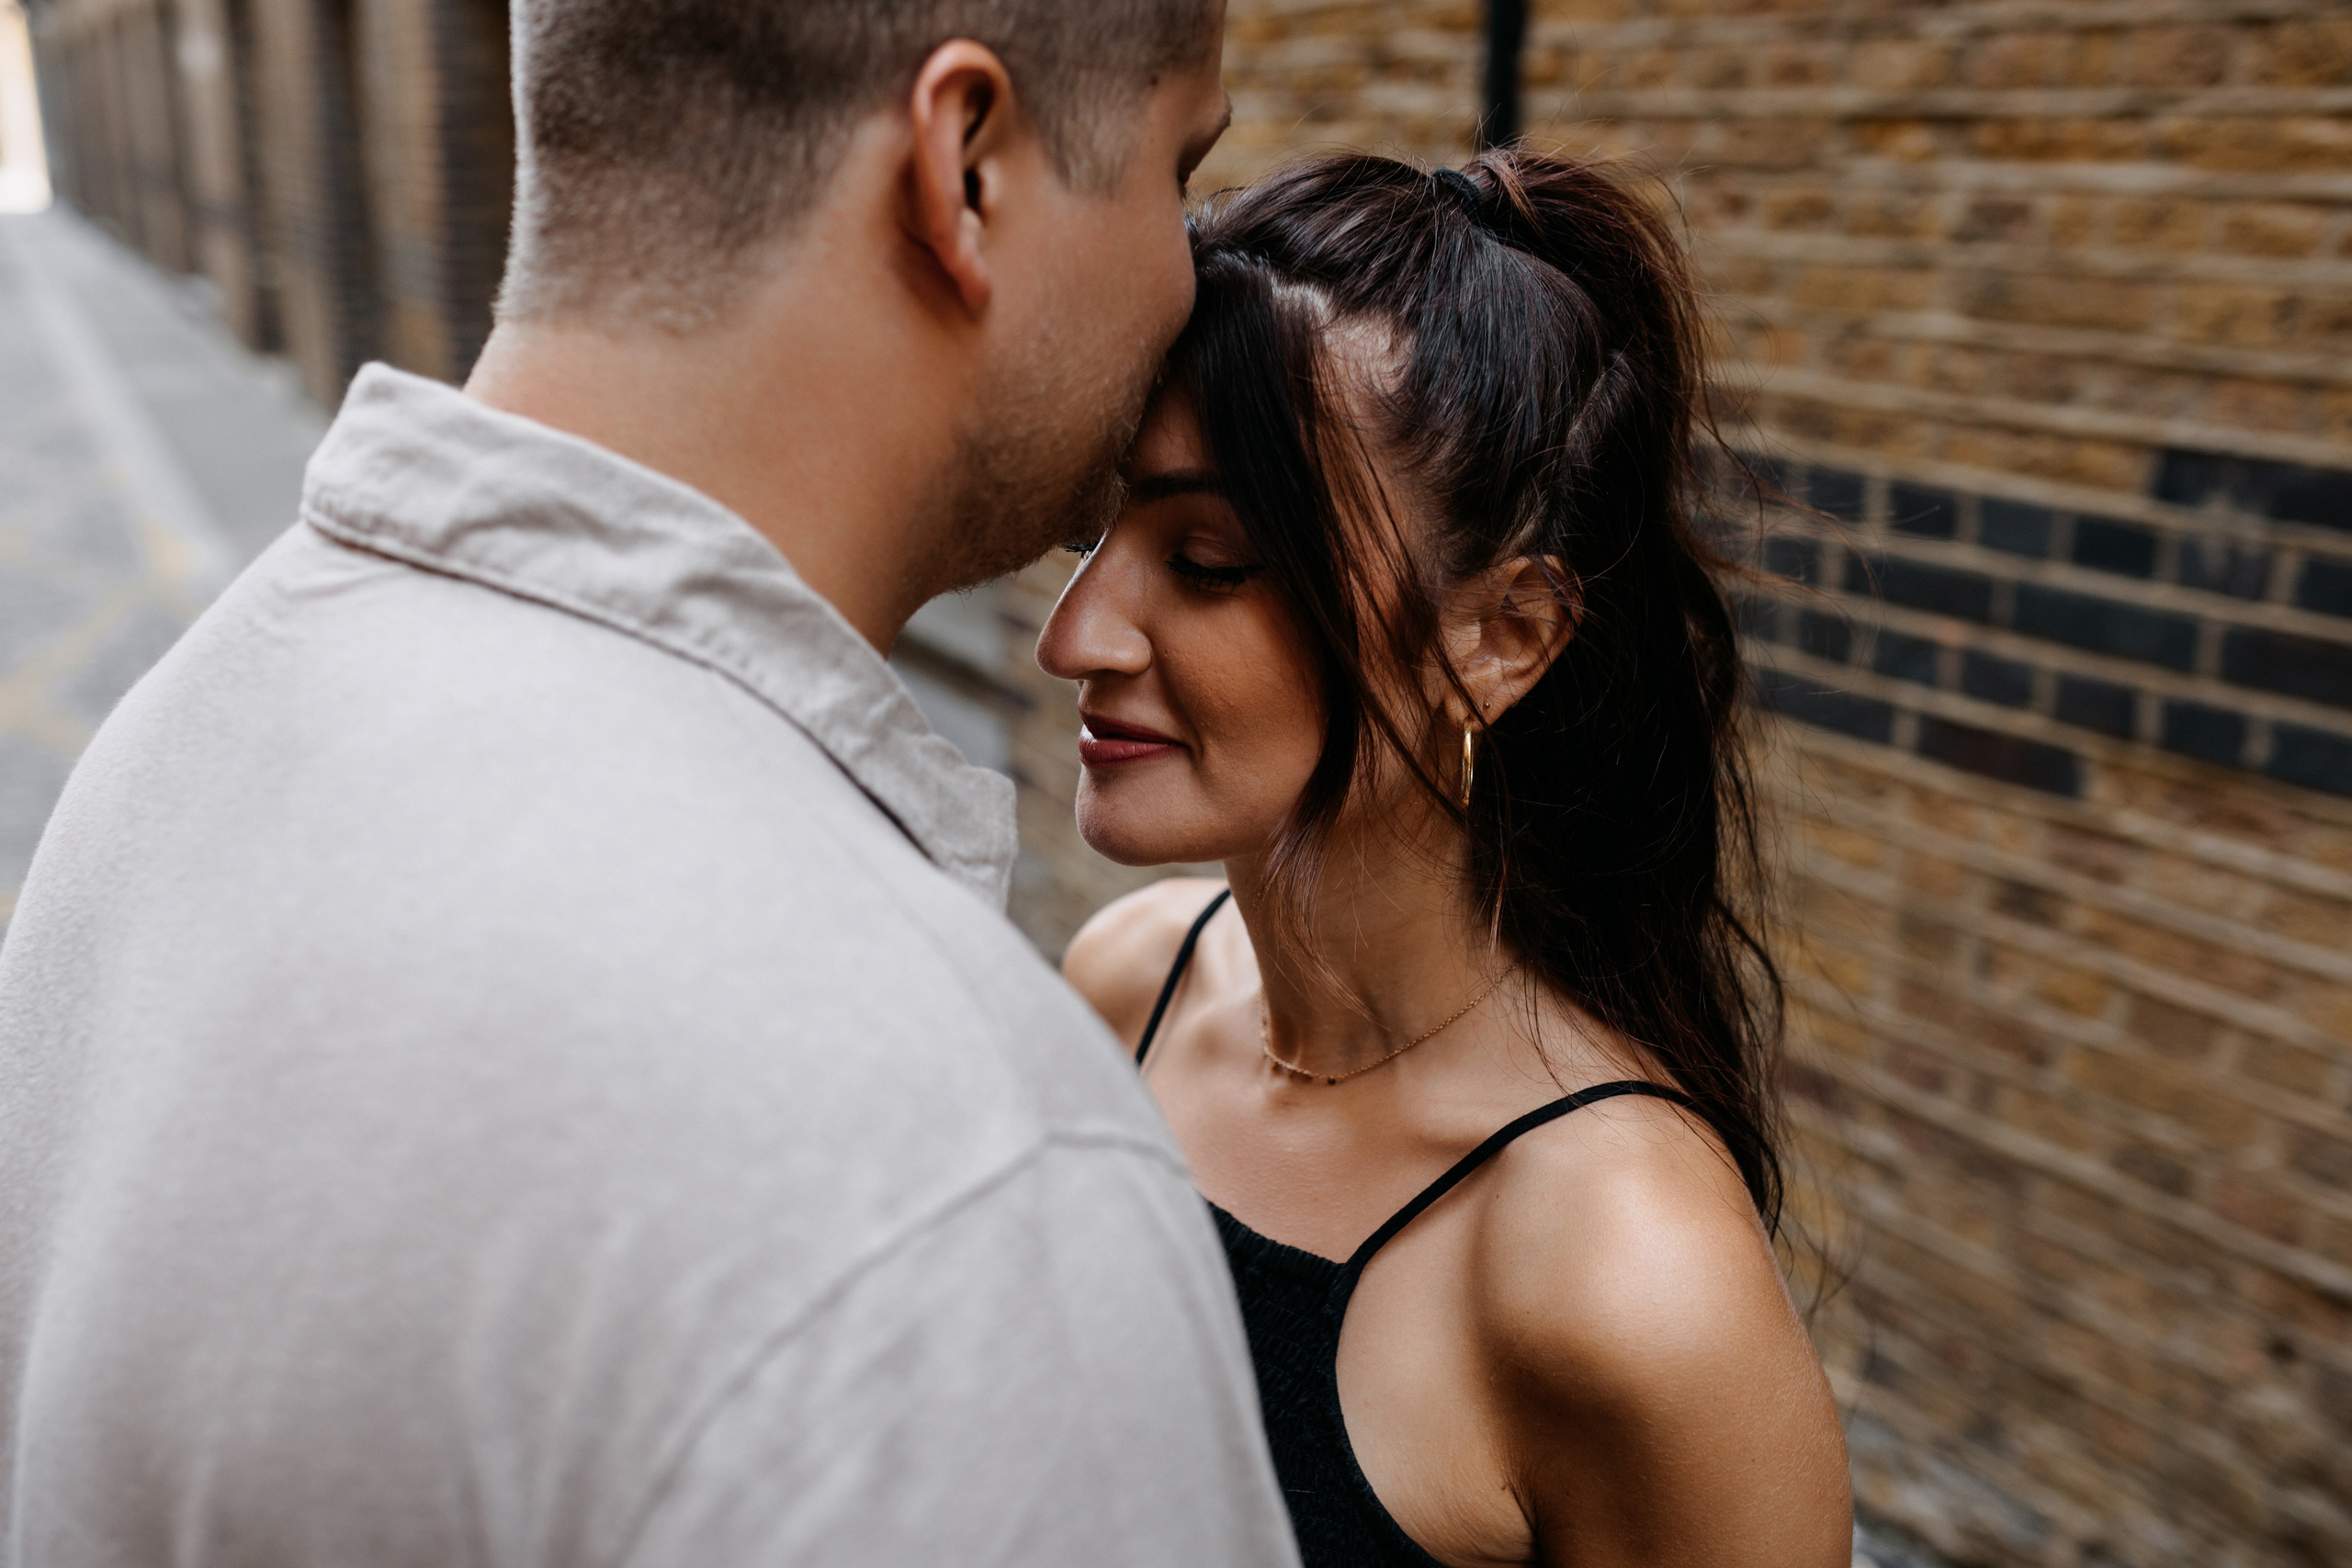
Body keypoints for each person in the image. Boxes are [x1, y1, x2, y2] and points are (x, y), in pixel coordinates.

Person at [0, 4, 1303, 1564]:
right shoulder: (951, 1177)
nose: (1188, 280)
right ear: (963, 167)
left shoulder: (175, 746)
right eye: (1178, 169)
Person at [1046, 148, 1854, 1568]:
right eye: (1102, 521)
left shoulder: (1628, 1279)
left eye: (1211, 561)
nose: (1076, 635)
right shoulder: (1125, 990)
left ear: (1504, 640)